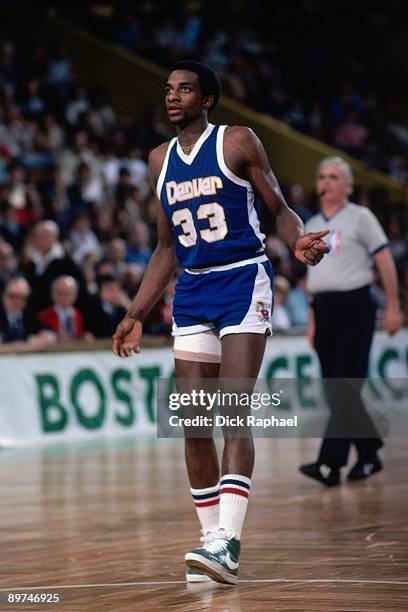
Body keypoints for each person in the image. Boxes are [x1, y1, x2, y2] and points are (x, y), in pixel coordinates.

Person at [112, 60, 328, 585]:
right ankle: (211, 542)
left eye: (185, 89)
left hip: (242, 281)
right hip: (192, 290)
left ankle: (228, 542)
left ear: (206, 99)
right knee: (193, 424)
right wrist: (135, 313)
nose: (173, 96)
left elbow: (277, 206)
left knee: (234, 410)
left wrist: (296, 237)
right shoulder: (158, 159)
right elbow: (166, 246)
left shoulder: (237, 141)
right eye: (168, 89)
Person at [299, 156, 402, 487]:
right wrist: (313, 320)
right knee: (339, 390)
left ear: (347, 186)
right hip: (324, 309)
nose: (325, 182)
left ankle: (330, 464)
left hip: (355, 305)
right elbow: (314, 276)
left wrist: (393, 306)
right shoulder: (311, 222)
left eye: (333, 177)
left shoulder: (361, 217)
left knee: (345, 385)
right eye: (321, 177)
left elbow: (384, 260)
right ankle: (369, 452)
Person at [37, 275, 87, 340]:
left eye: (68, 293)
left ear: (75, 295)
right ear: (52, 294)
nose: (64, 297)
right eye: (60, 293)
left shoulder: (78, 314)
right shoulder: (44, 316)